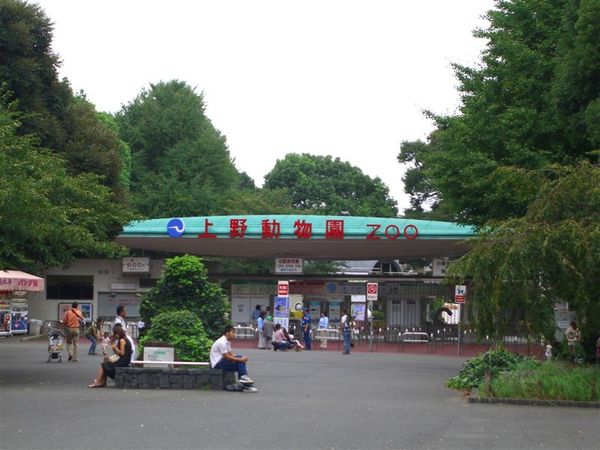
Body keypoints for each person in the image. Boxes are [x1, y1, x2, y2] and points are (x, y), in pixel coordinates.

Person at [210, 325, 255, 389]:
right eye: (232, 332)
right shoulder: (222, 342)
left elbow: (231, 354)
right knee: (240, 361)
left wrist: (241, 357)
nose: (234, 334)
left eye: (234, 332)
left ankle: (243, 378)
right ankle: (243, 377)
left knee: (240, 359)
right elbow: (227, 357)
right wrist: (241, 359)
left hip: (223, 362)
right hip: (217, 364)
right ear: (227, 333)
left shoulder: (227, 341)